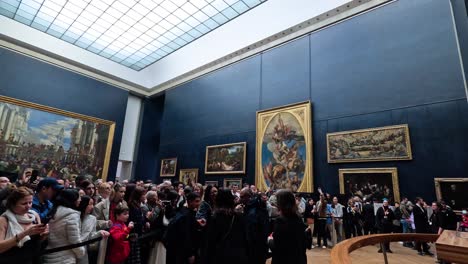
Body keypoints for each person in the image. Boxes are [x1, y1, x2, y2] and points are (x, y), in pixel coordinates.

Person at [0, 187, 48, 264]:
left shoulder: (34, 216)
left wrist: (44, 235)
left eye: (30, 202)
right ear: (12, 204)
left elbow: (37, 242)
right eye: (24, 203)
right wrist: (25, 233)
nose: (28, 206)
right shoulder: (4, 220)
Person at [206, 189, 249, 264]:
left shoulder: (214, 218)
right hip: (237, 255)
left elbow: (210, 241)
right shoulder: (239, 216)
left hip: (220, 256)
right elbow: (245, 238)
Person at [43, 189, 85, 264]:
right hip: (65, 259)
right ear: (72, 199)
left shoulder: (53, 210)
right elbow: (74, 240)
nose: (80, 200)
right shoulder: (72, 216)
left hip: (49, 256)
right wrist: (81, 252)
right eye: (78, 197)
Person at [270, 189, 307, 264]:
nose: (276, 203)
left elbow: (277, 246)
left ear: (282, 203)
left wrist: (269, 241)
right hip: (298, 259)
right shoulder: (298, 219)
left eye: (277, 201)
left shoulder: (280, 221)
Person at [165, 192, 201, 264]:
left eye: (199, 201)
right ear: (190, 201)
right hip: (183, 252)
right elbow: (186, 236)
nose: (198, 203)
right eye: (196, 201)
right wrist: (190, 254)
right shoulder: (186, 215)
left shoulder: (185, 211)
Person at [238, 187, 269, 264]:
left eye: (241, 197)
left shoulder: (252, 211)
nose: (240, 199)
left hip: (254, 249)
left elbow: (251, 235)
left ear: (248, 197)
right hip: (261, 247)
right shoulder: (257, 206)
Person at [77, 196, 109, 264]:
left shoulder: (92, 219)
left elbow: (91, 236)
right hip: (70, 251)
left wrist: (100, 233)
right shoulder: (74, 216)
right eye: (90, 204)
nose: (92, 207)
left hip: (83, 252)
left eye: (93, 204)